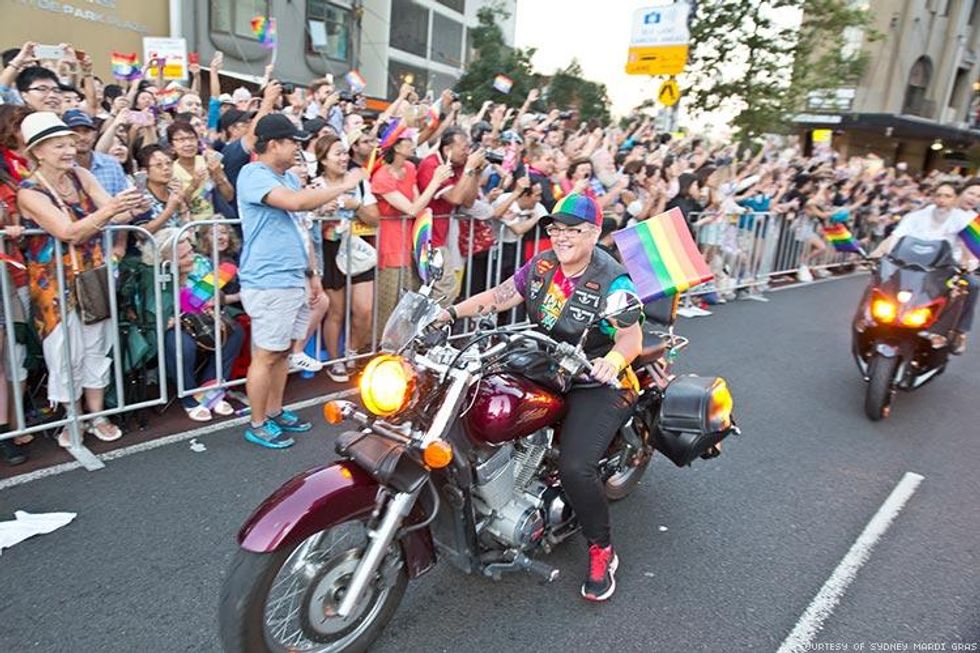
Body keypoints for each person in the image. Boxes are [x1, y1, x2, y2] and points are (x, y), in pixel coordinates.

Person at [437, 194, 642, 602]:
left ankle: (602, 550)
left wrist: (613, 361)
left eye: (573, 229)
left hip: (594, 377)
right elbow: (498, 297)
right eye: (556, 228)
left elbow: (631, 337)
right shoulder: (543, 264)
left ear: (595, 233)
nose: (561, 237)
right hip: (546, 364)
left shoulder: (612, 279)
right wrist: (447, 314)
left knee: (576, 466)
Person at [16, 112, 146, 446]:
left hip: (93, 274)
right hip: (53, 287)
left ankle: (96, 415)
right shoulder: (28, 193)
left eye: (71, 143)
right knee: (64, 354)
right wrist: (111, 210)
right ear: (38, 152)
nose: (69, 150)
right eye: (59, 145)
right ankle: (72, 420)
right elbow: (68, 232)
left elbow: (116, 211)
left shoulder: (82, 175)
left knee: (97, 347)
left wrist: (131, 204)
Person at [236, 114, 361, 449]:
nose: (297, 147)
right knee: (266, 354)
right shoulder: (253, 174)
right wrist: (344, 185)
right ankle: (258, 422)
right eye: (292, 141)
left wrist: (312, 275)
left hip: (293, 276)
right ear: (273, 144)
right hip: (267, 279)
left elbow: (301, 228)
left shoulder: (288, 178)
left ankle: (275, 411)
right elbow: (295, 203)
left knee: (281, 354)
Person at [147, 228, 244, 421]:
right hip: (172, 327)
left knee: (235, 332)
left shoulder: (200, 262)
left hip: (201, 320)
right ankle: (189, 395)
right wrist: (191, 294)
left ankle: (211, 386)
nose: (191, 258)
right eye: (184, 256)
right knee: (181, 344)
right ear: (167, 259)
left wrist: (212, 297)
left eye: (191, 251)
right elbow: (160, 312)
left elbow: (210, 293)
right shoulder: (155, 274)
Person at [871, 182, 978, 354]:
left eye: (947, 196)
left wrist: (969, 262)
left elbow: (969, 248)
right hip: (909, 266)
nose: (942, 200)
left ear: (954, 198)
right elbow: (895, 236)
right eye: (940, 195)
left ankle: (953, 332)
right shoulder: (918, 215)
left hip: (945, 270)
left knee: (970, 285)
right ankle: (866, 320)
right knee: (878, 277)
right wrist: (877, 251)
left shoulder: (967, 220)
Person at [313, 133, 379, 383]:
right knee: (336, 312)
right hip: (329, 252)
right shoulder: (315, 186)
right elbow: (305, 225)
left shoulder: (360, 184)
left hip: (356, 250)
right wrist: (320, 214)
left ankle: (352, 351)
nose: (343, 158)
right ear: (323, 159)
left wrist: (355, 205)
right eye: (337, 153)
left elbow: (374, 218)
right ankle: (335, 360)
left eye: (344, 152)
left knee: (364, 309)